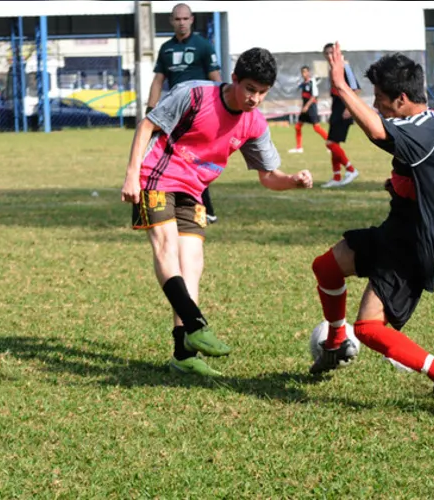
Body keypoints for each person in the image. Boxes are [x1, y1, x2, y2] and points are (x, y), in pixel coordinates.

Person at [121, 48, 313, 377]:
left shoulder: (254, 122)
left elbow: (268, 177)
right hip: (156, 176)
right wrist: (130, 175)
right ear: (235, 79)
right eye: (250, 89)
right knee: (166, 247)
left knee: (192, 263)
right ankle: (196, 324)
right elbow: (146, 127)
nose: (255, 98)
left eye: (263, 92)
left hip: (194, 190)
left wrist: (293, 181)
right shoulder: (195, 94)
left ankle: (183, 354)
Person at [309, 44, 434, 415]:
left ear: (401, 98)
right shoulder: (427, 125)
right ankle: (334, 344)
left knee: (367, 328)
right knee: (326, 267)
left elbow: (379, 133)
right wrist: (401, 182)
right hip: (394, 231)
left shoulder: (422, 132)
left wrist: (341, 88)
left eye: (380, 98)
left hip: (412, 248)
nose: (376, 104)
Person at [147, 3, 224, 224]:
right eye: (177, 19)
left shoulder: (203, 46)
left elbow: (216, 79)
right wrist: (150, 112)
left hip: (199, 112)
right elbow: (158, 81)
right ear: (171, 21)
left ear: (192, 20)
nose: (181, 22)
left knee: (192, 160)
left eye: (185, 18)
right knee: (178, 159)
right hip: (173, 112)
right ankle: (197, 208)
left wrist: (220, 110)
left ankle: (203, 208)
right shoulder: (166, 48)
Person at [320, 42, 361, 188]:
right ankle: (336, 177)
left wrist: (349, 109)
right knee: (333, 143)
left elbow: (356, 89)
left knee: (330, 143)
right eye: (327, 53)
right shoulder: (333, 68)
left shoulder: (344, 66)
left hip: (343, 108)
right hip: (336, 107)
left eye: (332, 52)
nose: (330, 55)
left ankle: (351, 169)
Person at [288, 65, 329, 154]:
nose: (304, 74)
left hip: (311, 107)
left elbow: (314, 96)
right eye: (302, 72)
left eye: (305, 72)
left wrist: (306, 106)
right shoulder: (303, 83)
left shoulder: (312, 82)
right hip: (305, 107)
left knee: (317, 128)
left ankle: (331, 144)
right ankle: (299, 148)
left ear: (308, 72)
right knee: (298, 126)